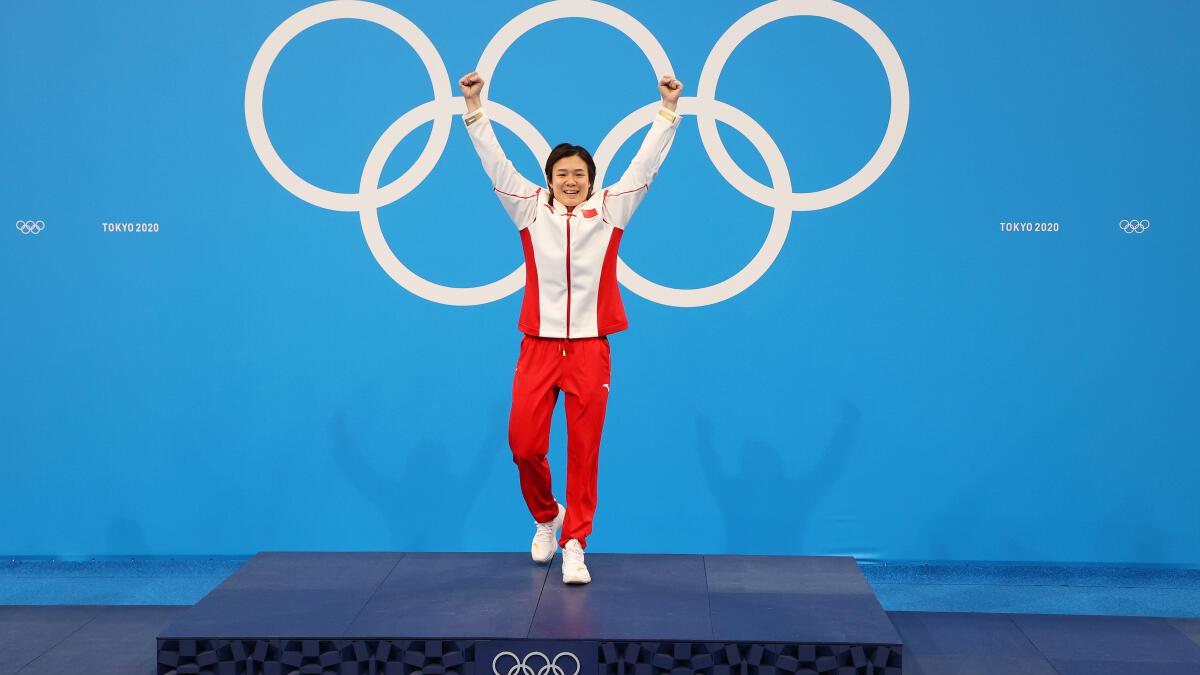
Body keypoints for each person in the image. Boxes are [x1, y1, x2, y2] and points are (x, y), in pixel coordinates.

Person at [459, 70, 682, 584]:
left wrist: (668, 112)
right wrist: (474, 109)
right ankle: (546, 516)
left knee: (584, 453)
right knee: (523, 445)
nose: (571, 180)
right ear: (550, 177)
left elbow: (645, 164)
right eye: (562, 173)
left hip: (589, 350)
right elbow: (495, 161)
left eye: (580, 173)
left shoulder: (611, 209)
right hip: (537, 346)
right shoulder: (528, 207)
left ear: (591, 177)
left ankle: (575, 541)